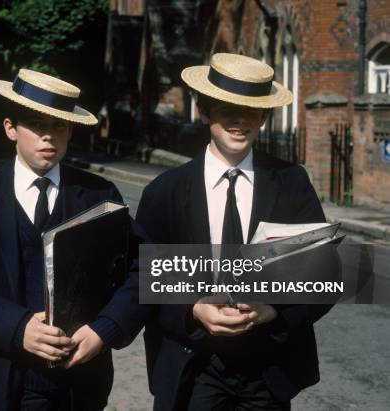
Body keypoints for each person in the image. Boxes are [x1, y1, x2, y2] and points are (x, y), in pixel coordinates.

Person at [0, 68, 147, 410]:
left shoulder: (98, 195)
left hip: (81, 382)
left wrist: (105, 329)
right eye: (36, 124)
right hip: (3, 376)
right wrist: (17, 328)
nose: (48, 137)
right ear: (10, 128)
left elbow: (141, 270)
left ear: (70, 130)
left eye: (58, 125)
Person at [136, 53, 333, 410]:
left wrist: (275, 312)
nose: (240, 119)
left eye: (252, 110)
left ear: (264, 117)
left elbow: (323, 271)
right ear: (204, 110)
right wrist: (193, 309)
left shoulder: (291, 183)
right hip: (193, 366)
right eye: (227, 107)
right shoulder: (164, 191)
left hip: (268, 370)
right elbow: (144, 277)